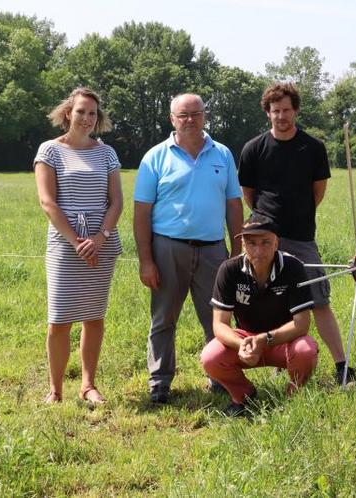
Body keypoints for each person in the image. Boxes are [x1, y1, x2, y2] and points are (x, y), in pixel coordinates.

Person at [238, 82, 353, 385]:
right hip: (263, 239)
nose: (281, 116)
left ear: (296, 111)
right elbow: (248, 194)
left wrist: (296, 217)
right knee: (269, 300)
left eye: (286, 110)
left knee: (318, 300)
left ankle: (342, 365)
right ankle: (278, 357)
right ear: (268, 113)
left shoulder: (312, 148)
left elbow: (318, 192)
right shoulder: (253, 149)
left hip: (302, 237)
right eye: (275, 111)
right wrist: (266, 224)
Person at [133, 93, 244, 403]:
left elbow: (233, 205)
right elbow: (141, 211)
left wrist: (236, 254)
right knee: (164, 318)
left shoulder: (222, 154)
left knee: (217, 318)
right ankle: (160, 382)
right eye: (184, 115)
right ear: (173, 120)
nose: (191, 119)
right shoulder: (155, 157)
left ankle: (220, 375)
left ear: (205, 115)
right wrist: (146, 260)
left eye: (196, 113)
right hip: (168, 248)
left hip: (213, 251)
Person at [34, 87, 123, 404]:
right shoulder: (49, 151)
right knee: (59, 320)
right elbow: (48, 203)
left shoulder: (107, 153)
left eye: (92, 113)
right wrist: (77, 242)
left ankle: (88, 385)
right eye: (81, 111)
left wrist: (99, 238)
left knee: (94, 316)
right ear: (68, 113)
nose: (87, 118)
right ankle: (55, 389)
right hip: (65, 245)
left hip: (101, 244)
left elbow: (116, 203)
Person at [201, 213, 318, 416]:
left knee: (306, 350)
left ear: (276, 243)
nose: (259, 250)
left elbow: (302, 324)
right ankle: (243, 395)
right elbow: (219, 324)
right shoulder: (229, 270)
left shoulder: (293, 267)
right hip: (245, 338)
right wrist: (242, 345)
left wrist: (265, 339)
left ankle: (292, 398)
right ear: (243, 245)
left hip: (283, 340)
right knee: (210, 356)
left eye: (266, 242)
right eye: (251, 243)